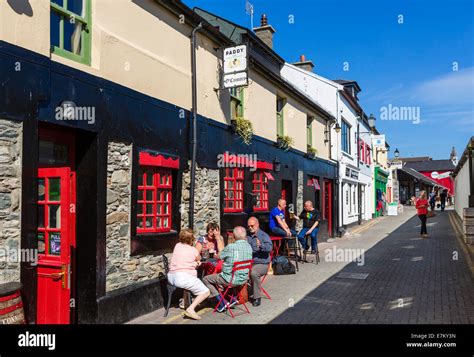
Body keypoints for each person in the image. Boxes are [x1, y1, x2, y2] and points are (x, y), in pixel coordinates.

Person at [203, 226, 253, 313]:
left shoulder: (231, 247)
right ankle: (231, 299)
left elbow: (220, 256)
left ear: (234, 236)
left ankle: (222, 302)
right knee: (220, 275)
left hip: (230, 280)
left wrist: (218, 240)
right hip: (244, 279)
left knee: (206, 279)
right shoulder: (249, 247)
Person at [167, 229, 210, 320]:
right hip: (183, 278)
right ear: (191, 239)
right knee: (205, 292)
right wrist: (197, 262)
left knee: (189, 281)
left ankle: (185, 301)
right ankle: (191, 308)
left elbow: (184, 260)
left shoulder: (177, 245)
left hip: (171, 277)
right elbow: (199, 258)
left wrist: (193, 262)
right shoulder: (193, 250)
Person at [247, 217, 273, 307]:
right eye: (249, 226)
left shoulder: (263, 236)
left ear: (257, 225)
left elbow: (270, 248)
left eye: (252, 226)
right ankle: (238, 296)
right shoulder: (248, 236)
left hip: (262, 263)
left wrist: (261, 246)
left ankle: (257, 297)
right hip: (250, 262)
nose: (250, 227)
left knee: (254, 273)